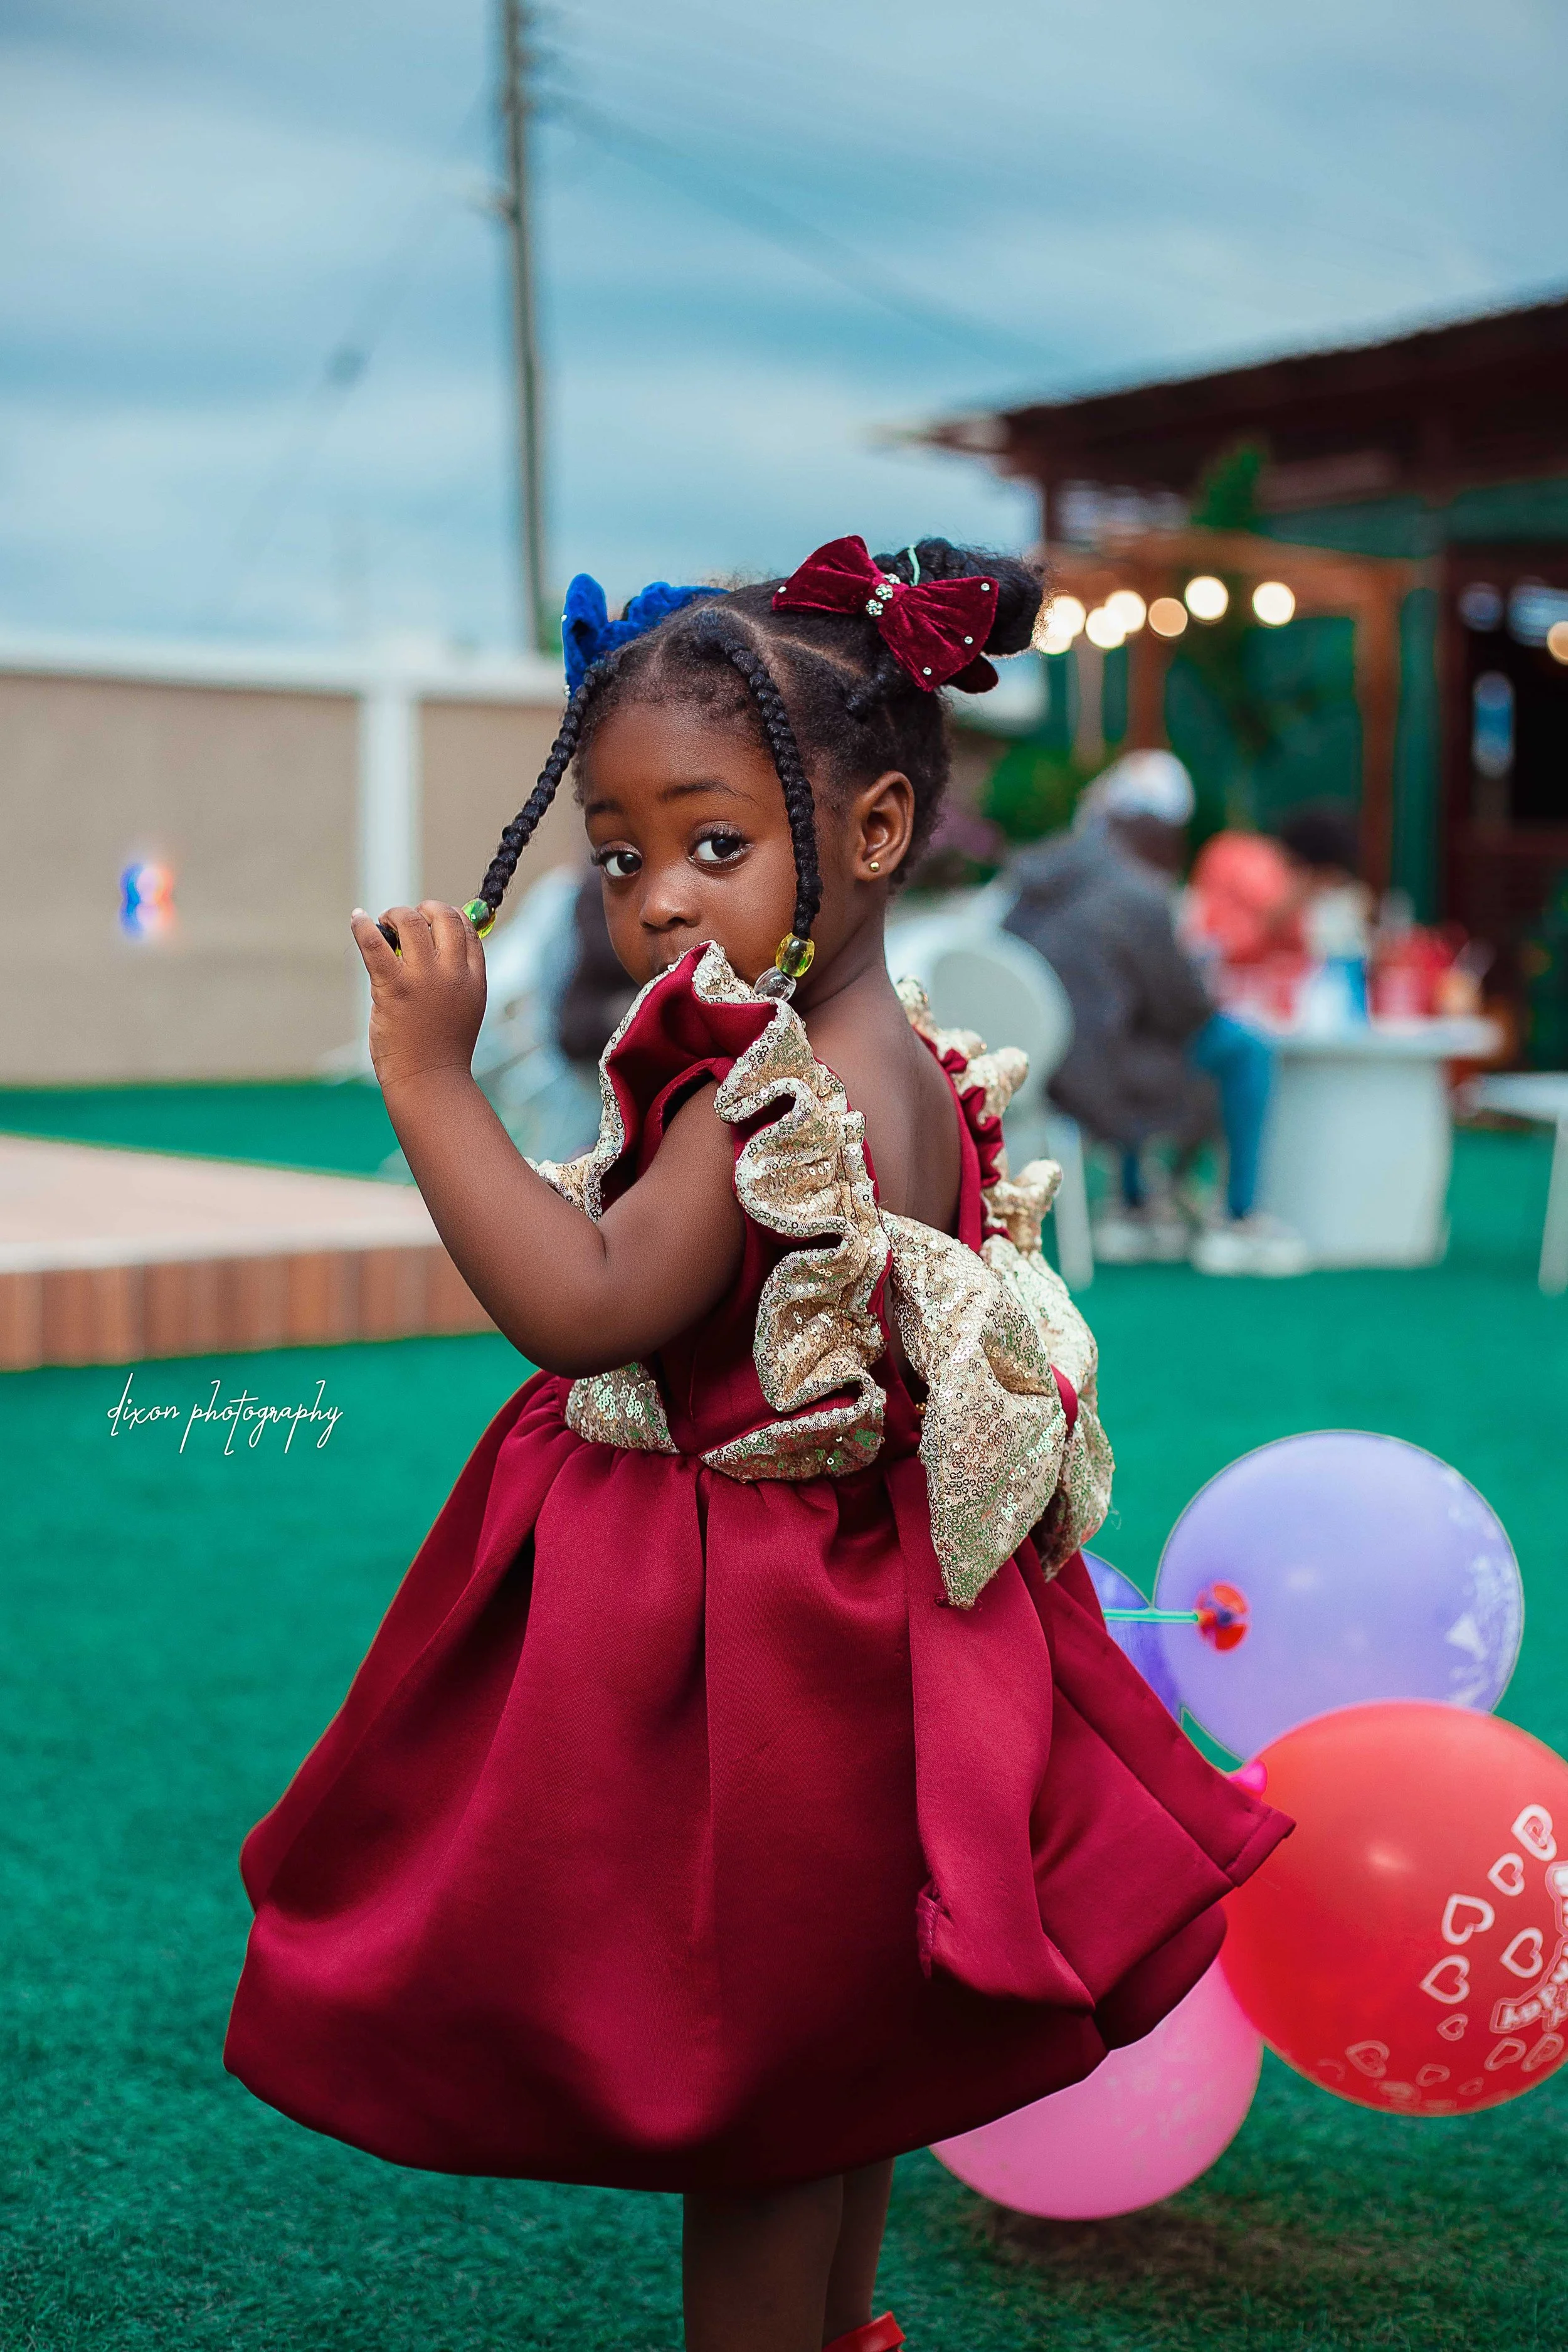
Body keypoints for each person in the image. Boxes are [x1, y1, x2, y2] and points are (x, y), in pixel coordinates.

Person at [224, 536, 1290, 2352]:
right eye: (618, 854)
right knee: (830, 2074)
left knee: (751, 2101)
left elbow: (587, 1303)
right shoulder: (898, 1051)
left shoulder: (772, 1091)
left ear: (872, 832)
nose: (656, 901)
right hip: (868, 1619)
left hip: (755, 1655)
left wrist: (425, 1079)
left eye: (714, 843)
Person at [1004, 751, 1309, 1276]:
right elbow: (1185, 1008)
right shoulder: (1138, 892)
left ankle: (1137, 1204)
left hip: (1027, 1064)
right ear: (1155, 830)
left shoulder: (1032, 876)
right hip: (1096, 1079)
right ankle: (1239, 1218)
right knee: (1244, 1048)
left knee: (1133, 1028)